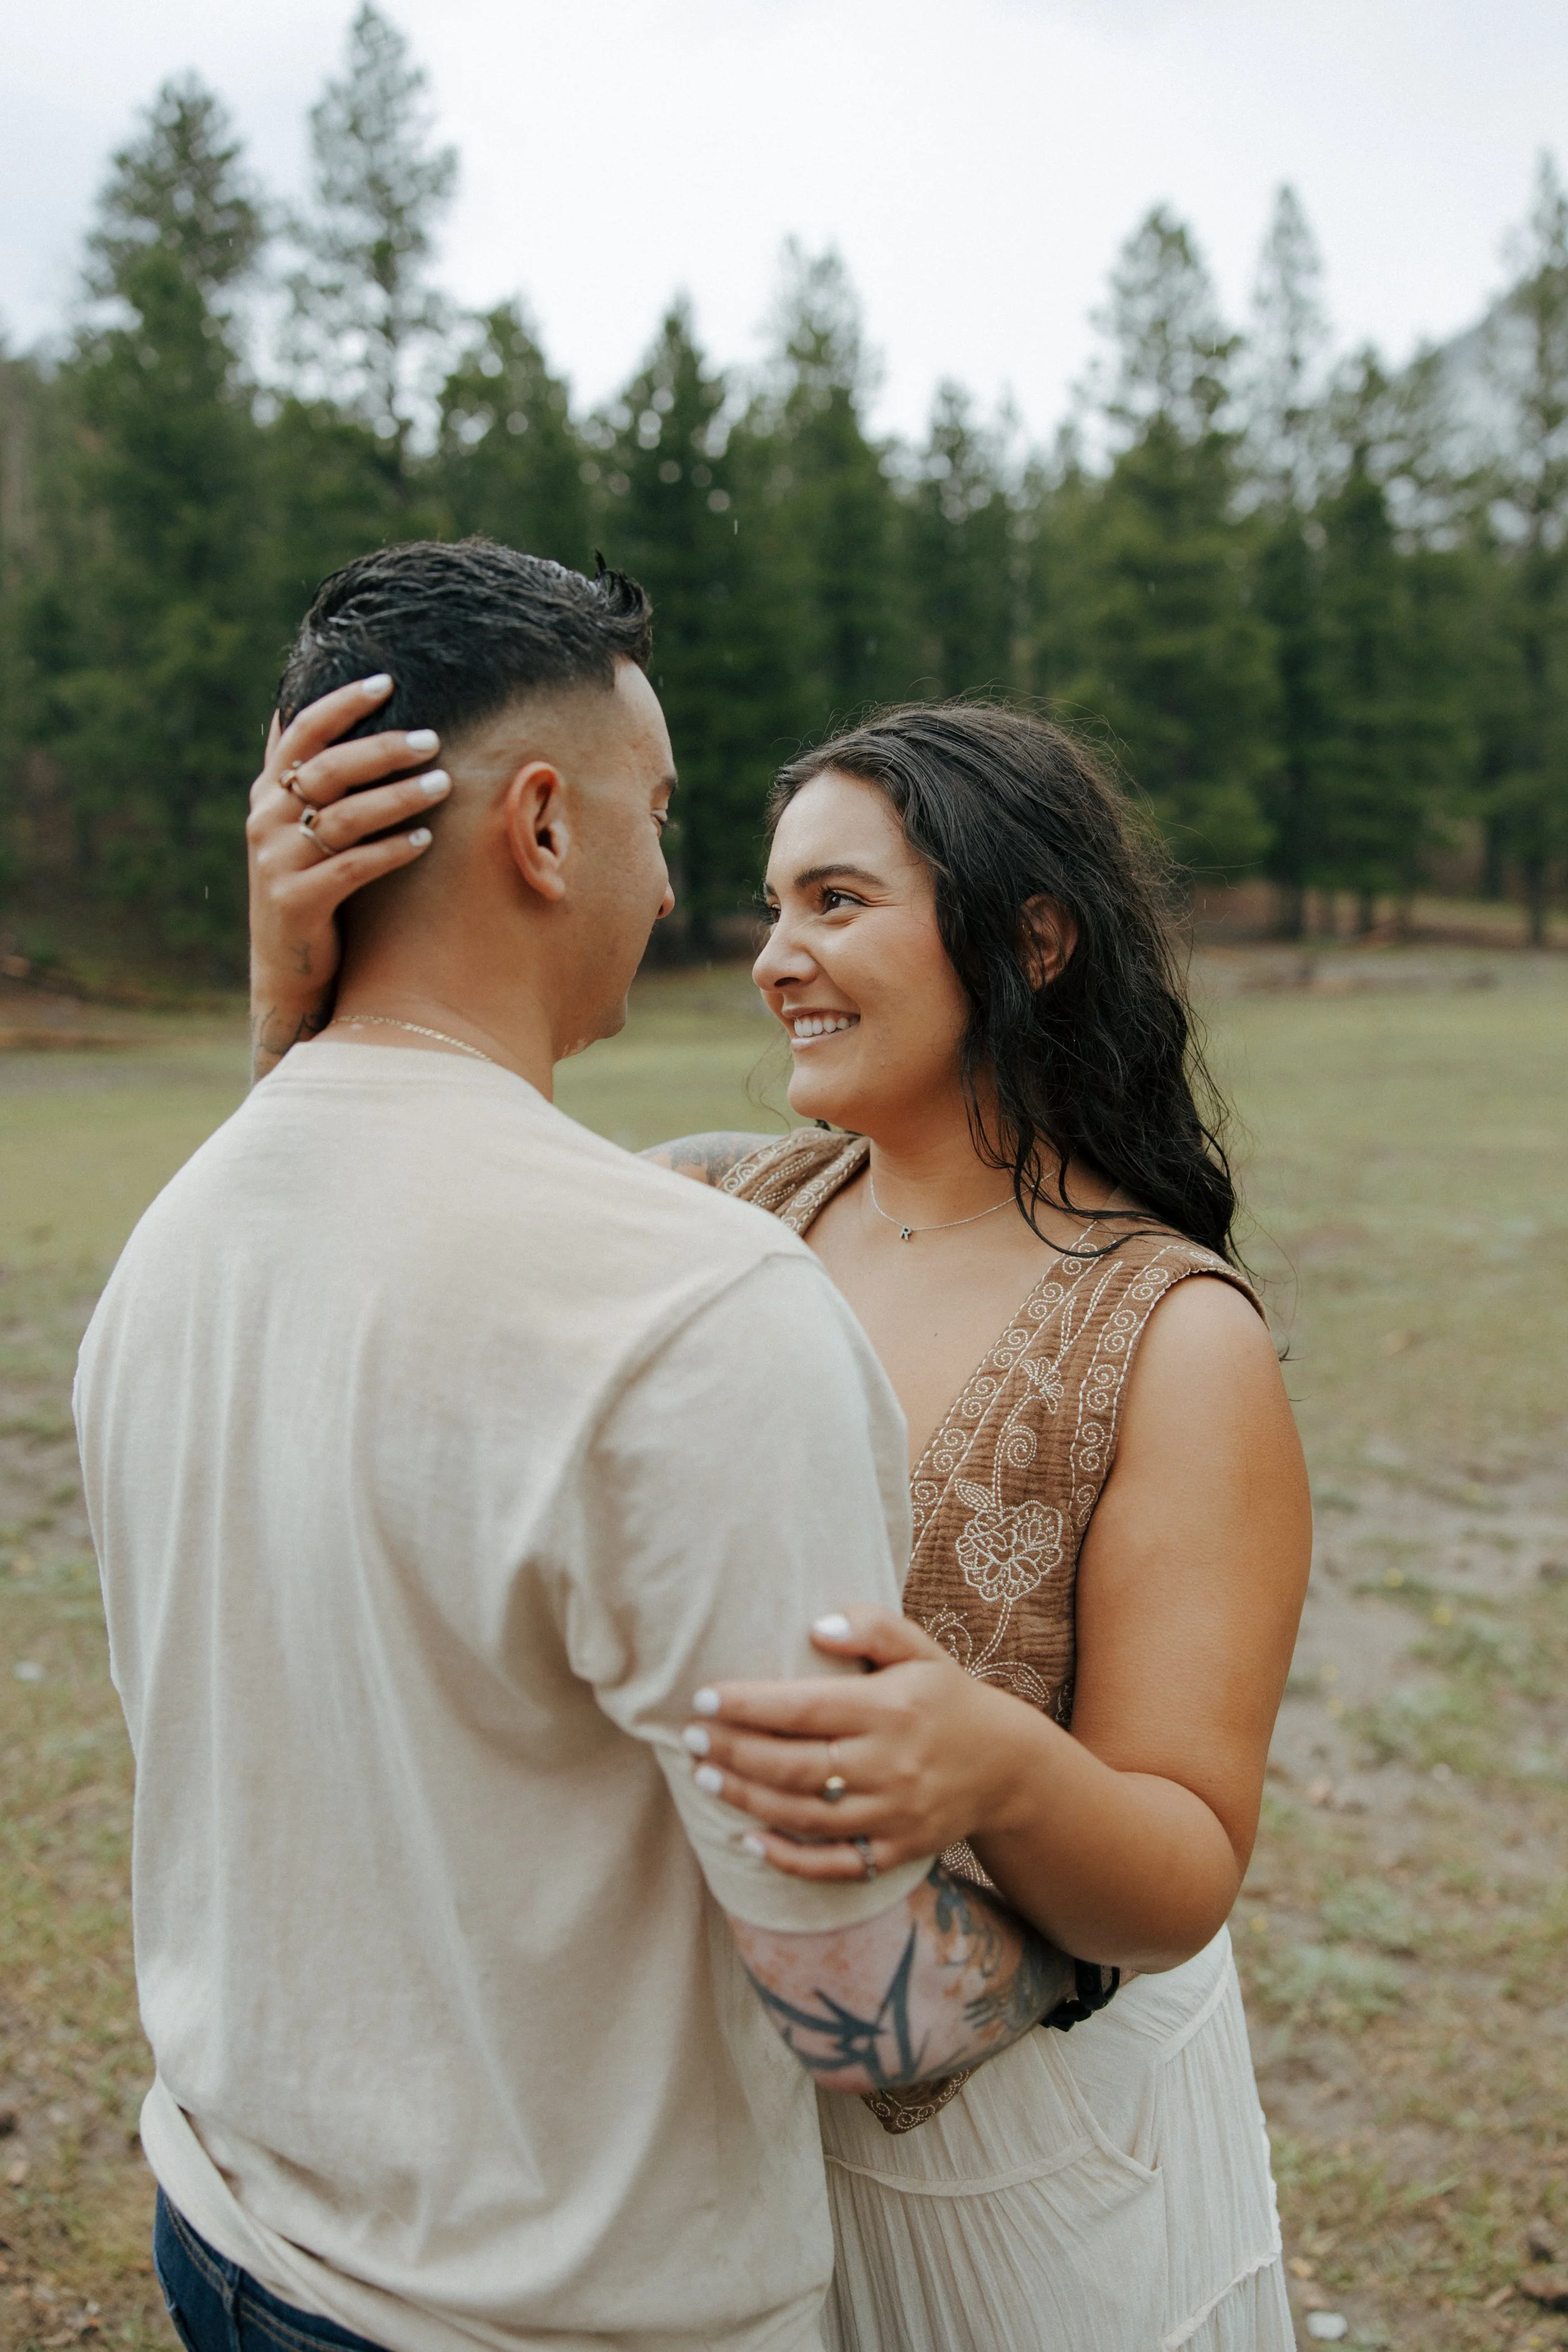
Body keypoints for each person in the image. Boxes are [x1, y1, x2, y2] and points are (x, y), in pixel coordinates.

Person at [78, 542, 1086, 2352]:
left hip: (227, 2226)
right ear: (541, 826)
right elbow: (855, 1997)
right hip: (552, 2312)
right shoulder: (702, 1313)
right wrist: (1090, 1939)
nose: (674, 881)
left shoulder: (179, 1237)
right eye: (660, 813)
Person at [252, 677, 1312, 2351]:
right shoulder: (705, 1204)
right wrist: (298, 983)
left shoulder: (1174, 1341)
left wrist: (991, 1758)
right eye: (770, 901)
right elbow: (375, 1246)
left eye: (836, 900)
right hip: (715, 2151)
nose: (770, 955)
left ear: (1031, 939)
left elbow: (1181, 1865)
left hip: (1020, 2181)